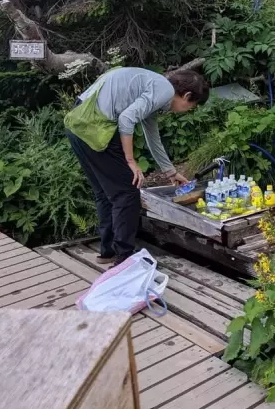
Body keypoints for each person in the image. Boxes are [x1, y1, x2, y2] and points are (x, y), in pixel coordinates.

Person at [66, 67, 209, 265]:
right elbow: (126, 119)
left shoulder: (153, 86)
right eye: (191, 106)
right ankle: (124, 259)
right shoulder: (164, 90)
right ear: (187, 95)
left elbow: (152, 135)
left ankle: (108, 252)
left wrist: (170, 171)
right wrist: (130, 161)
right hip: (96, 127)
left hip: (77, 124)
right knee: (128, 193)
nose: (187, 110)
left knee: (105, 193)